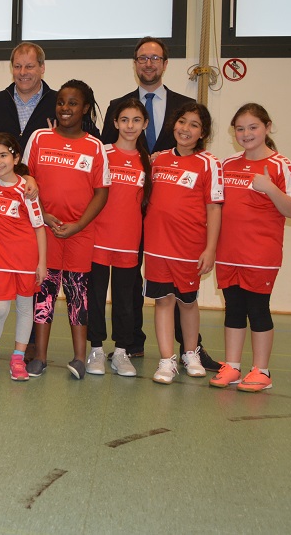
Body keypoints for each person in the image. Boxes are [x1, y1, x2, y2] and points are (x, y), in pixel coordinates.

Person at [0, 43, 99, 337]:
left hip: (40, 209)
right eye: (18, 66)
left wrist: (60, 132)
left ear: (42, 67)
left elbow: (90, 141)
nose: (23, 72)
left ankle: (26, 345)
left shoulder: (61, 103)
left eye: (30, 66)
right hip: (3, 212)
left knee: (32, 287)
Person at [99, 36, 210, 366]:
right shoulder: (118, 105)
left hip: (169, 215)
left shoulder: (182, 106)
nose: (148, 63)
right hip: (128, 212)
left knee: (178, 284)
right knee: (129, 279)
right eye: (142, 58)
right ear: (135, 63)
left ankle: (190, 348)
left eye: (155, 58)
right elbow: (108, 155)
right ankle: (131, 341)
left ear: (165, 64)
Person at [210, 104, 291, 391]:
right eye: (240, 128)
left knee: (258, 309)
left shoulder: (281, 165)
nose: (246, 133)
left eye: (253, 127)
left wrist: (270, 188)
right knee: (233, 308)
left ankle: (262, 370)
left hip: (261, 255)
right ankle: (232, 366)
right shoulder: (227, 165)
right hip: (228, 252)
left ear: (267, 127)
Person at [23, 80, 110, 379]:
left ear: (85, 108)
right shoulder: (39, 138)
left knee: (77, 295)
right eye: (61, 102)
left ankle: (79, 359)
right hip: (45, 231)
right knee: (44, 294)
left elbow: (102, 192)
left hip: (79, 233)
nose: (65, 108)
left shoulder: (95, 146)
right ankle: (41, 358)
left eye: (73, 103)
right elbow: (25, 180)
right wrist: (44, 216)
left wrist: (78, 225)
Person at [145, 102, 223, 384]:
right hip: (156, 245)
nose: (186, 129)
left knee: (187, 302)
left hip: (189, 246)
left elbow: (214, 208)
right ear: (174, 125)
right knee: (163, 301)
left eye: (194, 125)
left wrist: (210, 248)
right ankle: (167, 360)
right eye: (182, 122)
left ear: (202, 133)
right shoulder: (157, 160)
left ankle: (190, 352)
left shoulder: (209, 163)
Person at [0, 133, 47, 381]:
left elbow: (39, 227)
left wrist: (42, 263)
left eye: (3, 155)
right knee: (0, 308)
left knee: (25, 309)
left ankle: (18, 357)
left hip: (26, 260)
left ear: (15, 157)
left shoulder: (26, 190)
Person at [88, 98, 151, 378]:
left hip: (129, 242)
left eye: (136, 120)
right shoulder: (101, 153)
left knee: (126, 300)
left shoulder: (150, 161)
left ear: (145, 124)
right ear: (115, 123)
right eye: (124, 120)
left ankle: (123, 352)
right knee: (96, 297)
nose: (130, 125)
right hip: (99, 239)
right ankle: (97, 350)